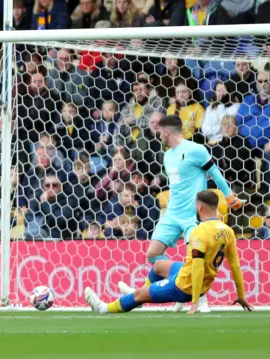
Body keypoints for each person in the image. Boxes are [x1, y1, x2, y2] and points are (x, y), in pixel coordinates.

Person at [134, 115, 243, 312]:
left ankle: (199, 297)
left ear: (167, 132)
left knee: (195, 259)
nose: (158, 135)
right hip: (172, 213)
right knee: (152, 254)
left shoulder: (196, 150)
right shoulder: (167, 156)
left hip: (192, 215)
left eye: (159, 132)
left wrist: (230, 198)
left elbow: (216, 174)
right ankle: (182, 282)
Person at [86, 191, 252, 315]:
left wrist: (194, 302)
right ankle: (139, 296)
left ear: (200, 207)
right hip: (193, 277)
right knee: (158, 265)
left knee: (138, 295)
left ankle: (104, 308)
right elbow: (235, 266)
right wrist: (241, 295)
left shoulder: (199, 232)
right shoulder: (228, 231)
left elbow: (198, 268)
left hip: (183, 286)